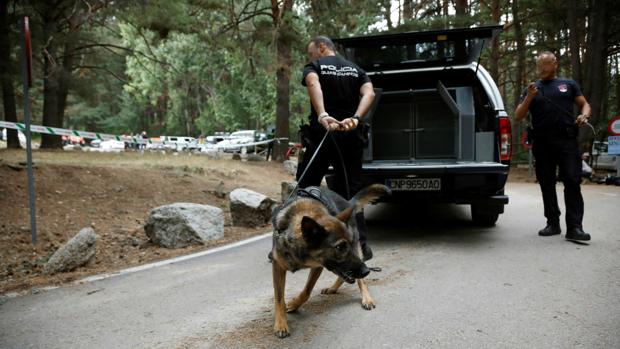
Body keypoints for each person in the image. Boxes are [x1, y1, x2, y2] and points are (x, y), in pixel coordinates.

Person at [297, 36, 376, 259]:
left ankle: (301, 243)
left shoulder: (315, 66)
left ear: (322, 47)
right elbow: (369, 92)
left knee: (306, 188)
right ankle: (361, 246)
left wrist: (323, 114)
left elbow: (313, 83)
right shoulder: (356, 69)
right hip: (350, 137)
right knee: (352, 192)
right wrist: (356, 118)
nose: (310, 57)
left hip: (323, 136)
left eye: (311, 52)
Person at [515, 51, 592, 241]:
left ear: (555, 64)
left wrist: (584, 115)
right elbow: (518, 115)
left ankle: (575, 227)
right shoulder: (532, 88)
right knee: (546, 183)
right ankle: (553, 223)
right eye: (539, 65)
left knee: (572, 180)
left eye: (546, 64)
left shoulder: (568, 85)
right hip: (542, 142)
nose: (542, 68)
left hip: (566, 140)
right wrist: (529, 97)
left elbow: (585, 105)